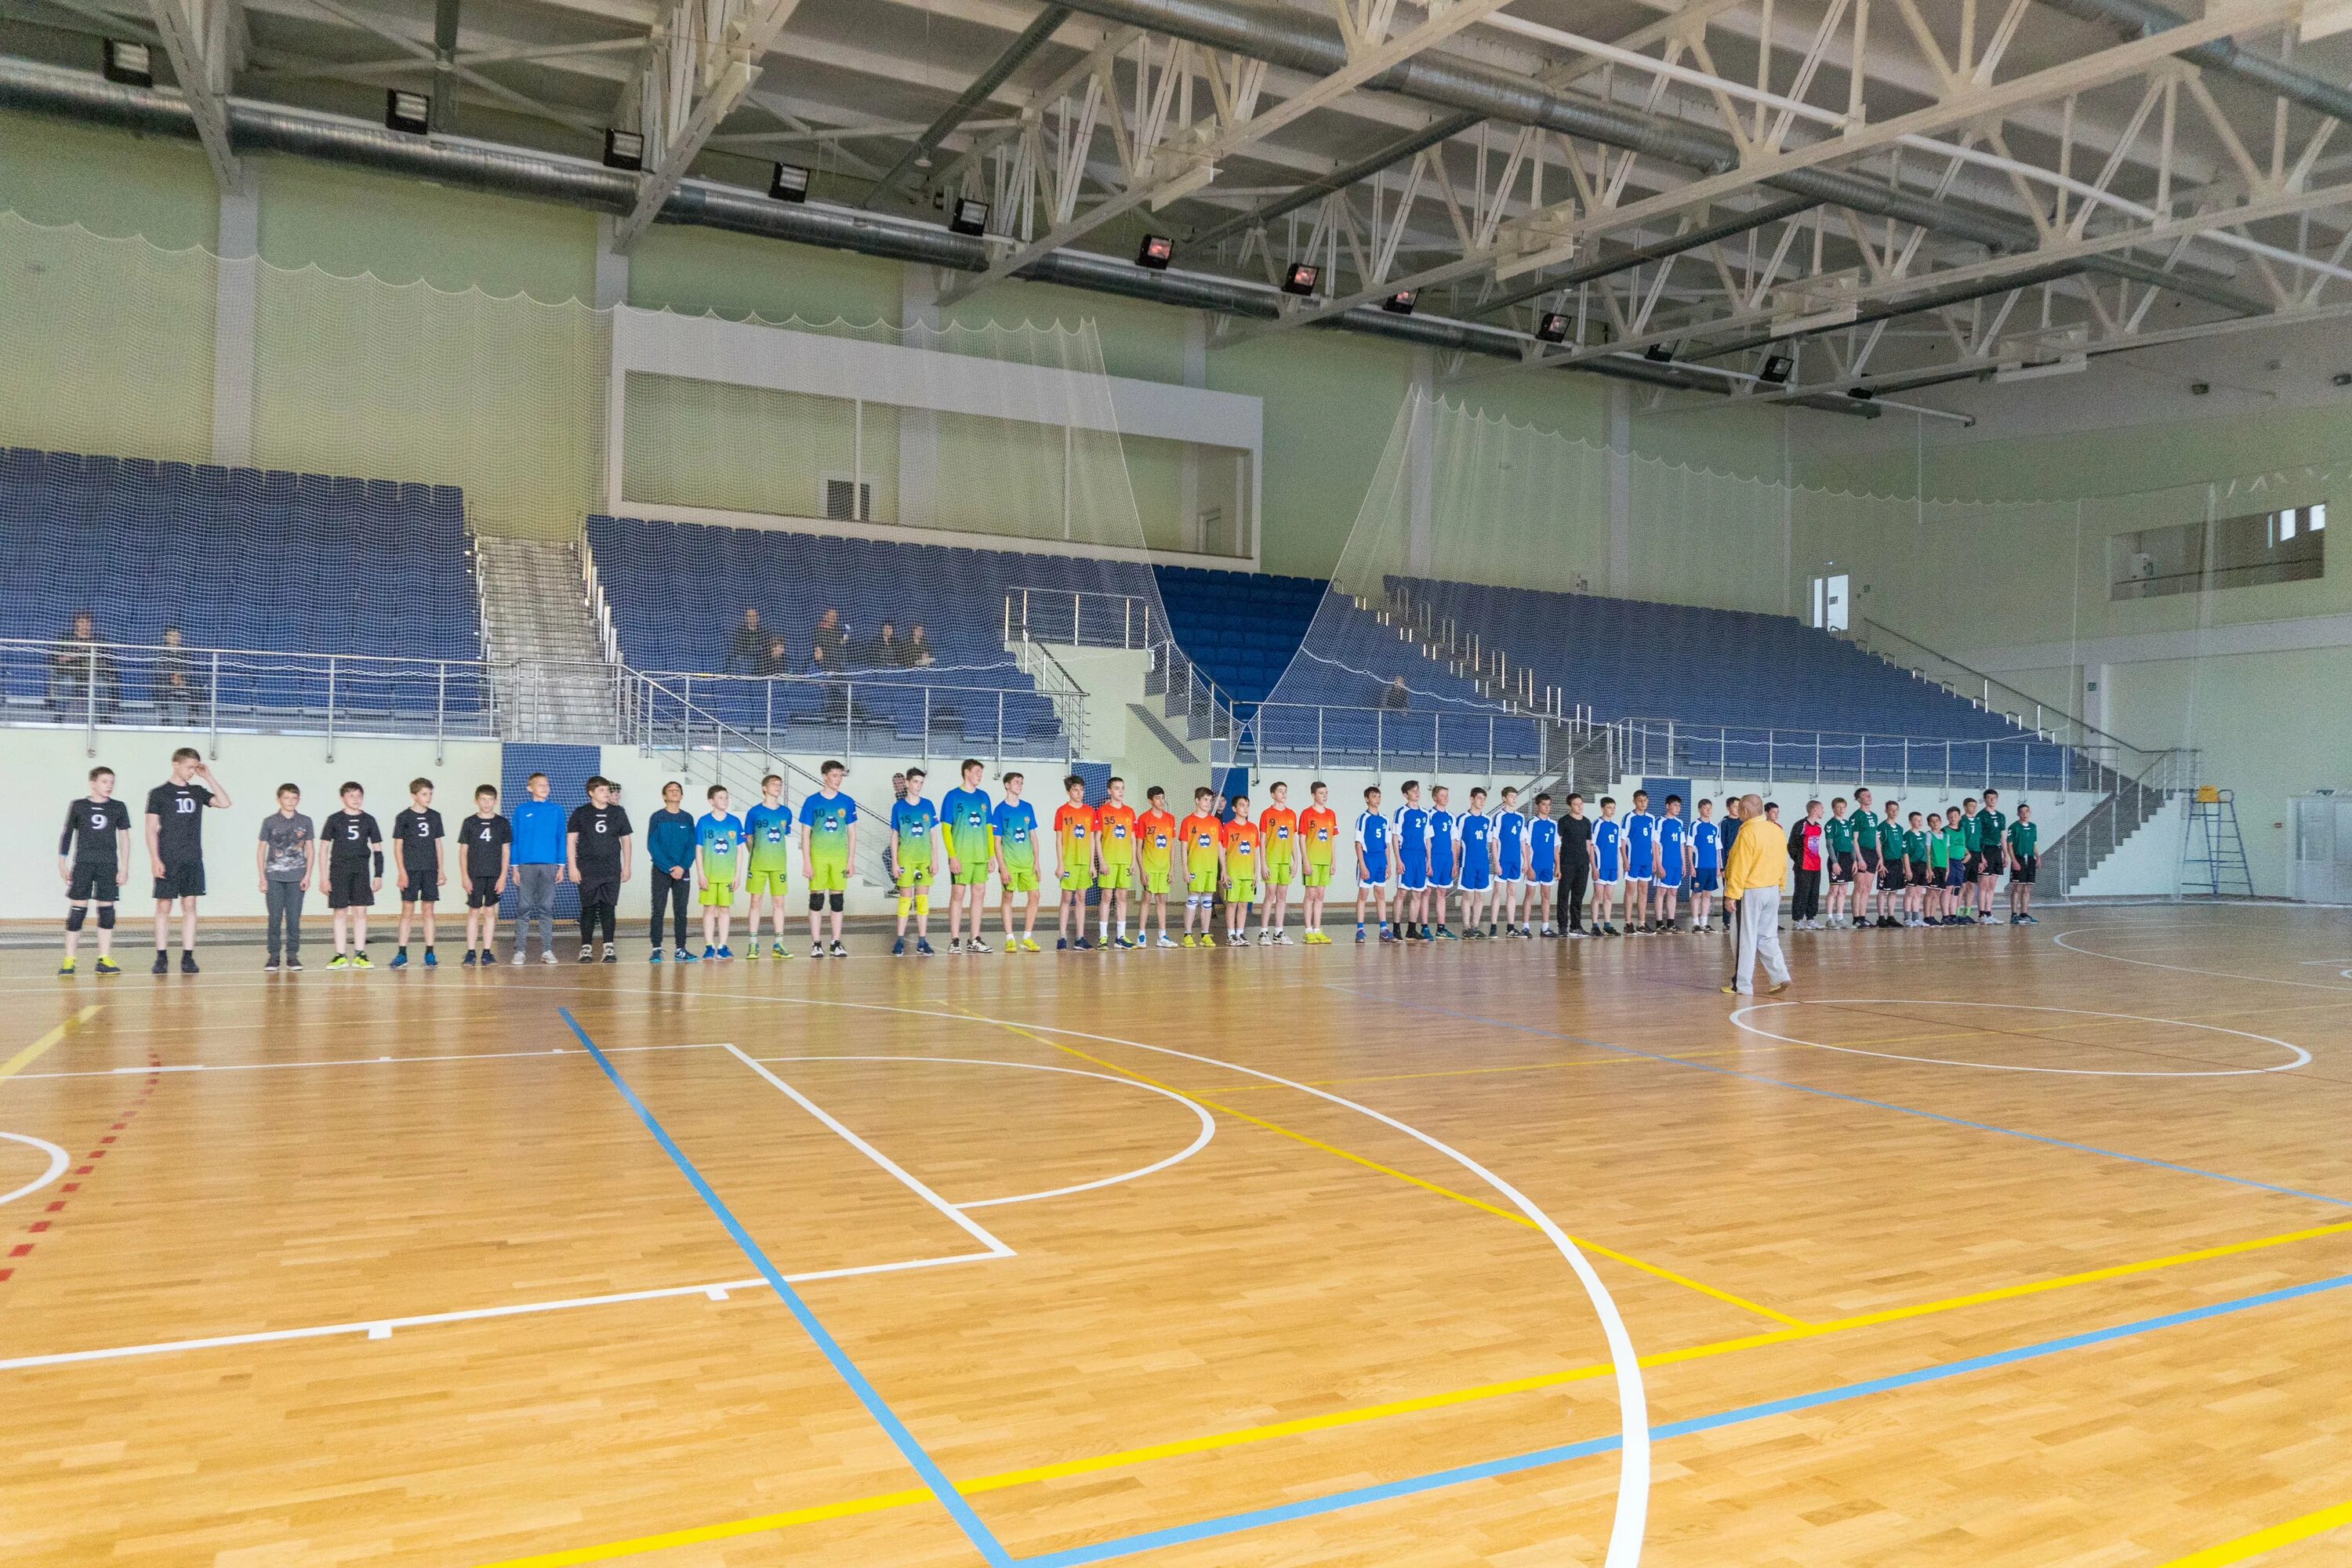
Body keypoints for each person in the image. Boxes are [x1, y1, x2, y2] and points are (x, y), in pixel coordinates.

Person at [147, 748, 231, 974]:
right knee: (164, 906)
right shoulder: (159, 793)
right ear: (175, 764)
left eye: (195, 768)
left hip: (192, 857)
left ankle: (188, 956)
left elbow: (224, 803)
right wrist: (155, 858)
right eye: (189, 767)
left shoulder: (197, 791)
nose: (192, 772)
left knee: (190, 906)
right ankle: (161, 956)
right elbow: (151, 828)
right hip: (168, 858)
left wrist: (208, 777)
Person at [59, 766, 132, 976]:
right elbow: (67, 834)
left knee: (107, 912)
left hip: (108, 865)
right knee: (77, 913)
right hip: (83, 864)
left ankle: (104, 958)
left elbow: (125, 839)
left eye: (112, 782)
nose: (109, 786)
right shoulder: (79, 806)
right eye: (104, 782)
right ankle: (69, 959)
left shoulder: (118, 807)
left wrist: (124, 867)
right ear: (93, 783)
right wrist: (62, 862)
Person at [1722, 793, 1792, 996]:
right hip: (1771, 890)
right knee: (1768, 936)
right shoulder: (1776, 830)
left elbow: (1739, 866)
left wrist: (1731, 894)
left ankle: (1741, 985)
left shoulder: (1748, 832)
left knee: (1745, 939)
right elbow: (1782, 862)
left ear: (1744, 811)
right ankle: (1780, 975)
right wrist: (1781, 887)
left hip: (1751, 891)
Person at [566, 776, 632, 963]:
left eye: (607, 790)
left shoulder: (618, 812)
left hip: (611, 868)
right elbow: (571, 841)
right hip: (587, 868)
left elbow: (626, 841)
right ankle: (586, 948)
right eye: (602, 790)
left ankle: (608, 948)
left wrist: (626, 866)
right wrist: (573, 866)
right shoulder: (580, 813)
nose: (606, 793)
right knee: (588, 908)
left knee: (608, 908)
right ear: (591, 793)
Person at [318, 782, 383, 969]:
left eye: (359, 796)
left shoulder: (369, 820)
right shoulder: (334, 819)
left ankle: (360, 954)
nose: (356, 799)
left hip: (361, 870)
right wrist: (323, 877)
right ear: (343, 798)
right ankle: (340, 955)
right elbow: (323, 849)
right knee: (340, 912)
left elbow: (378, 849)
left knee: (361, 912)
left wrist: (378, 874)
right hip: (339, 871)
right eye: (352, 796)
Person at [799, 760, 858, 958]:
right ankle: (816, 943)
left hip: (839, 857)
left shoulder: (847, 802)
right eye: (834, 775)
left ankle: (836, 942)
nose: (838, 780)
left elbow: (852, 832)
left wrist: (851, 860)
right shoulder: (812, 802)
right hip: (818, 857)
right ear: (825, 776)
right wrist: (806, 861)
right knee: (816, 900)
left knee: (837, 900)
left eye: (840, 776)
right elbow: (805, 833)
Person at [510, 773, 568, 965]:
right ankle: (519, 951)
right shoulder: (521, 810)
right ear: (530, 788)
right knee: (523, 908)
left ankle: (547, 950)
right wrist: (515, 867)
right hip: (526, 866)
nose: (544, 787)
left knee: (546, 908)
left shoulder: (557, 810)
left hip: (550, 866)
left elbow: (561, 838)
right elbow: (515, 840)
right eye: (540, 784)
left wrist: (561, 866)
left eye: (547, 784)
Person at [389, 779, 447, 967]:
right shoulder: (404, 817)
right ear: (414, 795)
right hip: (411, 870)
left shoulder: (435, 816)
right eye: (424, 794)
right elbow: (398, 847)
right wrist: (402, 872)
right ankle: (402, 953)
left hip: (430, 869)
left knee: (429, 911)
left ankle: (430, 953)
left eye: (430, 794)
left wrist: (441, 870)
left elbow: (438, 845)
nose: (428, 797)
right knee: (407, 910)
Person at [256, 783, 314, 972]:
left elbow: (310, 849)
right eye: (287, 798)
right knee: (274, 917)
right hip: (274, 876)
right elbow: (261, 849)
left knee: (294, 918)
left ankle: (292, 955)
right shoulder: (270, 821)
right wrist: (262, 877)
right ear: (279, 799)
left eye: (294, 798)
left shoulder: (305, 821)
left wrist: (308, 874)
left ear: (298, 800)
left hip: (297, 876)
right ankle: (273, 956)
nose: (290, 801)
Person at [938, 760, 993, 954]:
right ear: (966, 773)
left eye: (981, 772)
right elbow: (946, 829)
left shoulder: (984, 797)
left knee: (979, 894)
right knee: (958, 895)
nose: (980, 775)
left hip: (980, 855)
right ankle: (955, 939)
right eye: (977, 772)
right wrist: (952, 856)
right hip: (961, 855)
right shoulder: (953, 797)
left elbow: (988, 828)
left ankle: (974, 938)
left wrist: (991, 855)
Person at [741, 774, 795, 960]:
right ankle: (753, 944)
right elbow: (749, 837)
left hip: (779, 864)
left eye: (780, 784)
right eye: (774, 784)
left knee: (779, 904)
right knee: (755, 903)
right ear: (764, 788)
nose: (778, 787)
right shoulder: (754, 812)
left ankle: (779, 944)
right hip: (758, 864)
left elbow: (784, 833)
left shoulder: (786, 813)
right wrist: (757, 854)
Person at [889, 768, 940, 956]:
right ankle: (900, 940)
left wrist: (936, 859)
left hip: (924, 859)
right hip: (906, 859)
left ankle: (922, 940)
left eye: (921, 783)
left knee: (922, 901)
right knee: (904, 900)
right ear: (908, 783)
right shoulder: (899, 807)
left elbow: (934, 834)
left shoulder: (928, 805)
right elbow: (895, 835)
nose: (918, 786)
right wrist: (895, 862)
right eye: (916, 782)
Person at [459, 785, 512, 966]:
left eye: (490, 799)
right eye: (483, 799)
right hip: (475, 874)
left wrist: (503, 876)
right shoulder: (469, 823)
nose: (487, 803)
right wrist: (465, 876)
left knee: (490, 912)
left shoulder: (502, 823)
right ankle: (471, 952)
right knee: (474, 911)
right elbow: (463, 852)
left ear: (495, 801)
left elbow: (506, 852)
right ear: (476, 800)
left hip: (494, 875)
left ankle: (487, 952)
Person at [990, 772, 1041, 952]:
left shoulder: (1027, 807)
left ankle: (1027, 937)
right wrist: (1002, 867)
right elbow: (997, 842)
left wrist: (1037, 862)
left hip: (1027, 862)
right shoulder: (1000, 810)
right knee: (1008, 897)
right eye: (1016, 782)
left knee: (1035, 896)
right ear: (1007, 785)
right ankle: (1010, 938)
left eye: (1022, 782)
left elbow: (1033, 836)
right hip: (1010, 862)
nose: (1020, 785)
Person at [646, 781, 696, 963]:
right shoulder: (657, 817)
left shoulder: (687, 818)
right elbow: (652, 845)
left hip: (683, 871)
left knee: (681, 911)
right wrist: (668, 867)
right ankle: (657, 948)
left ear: (681, 796)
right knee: (658, 910)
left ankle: (681, 948)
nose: (674, 793)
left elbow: (691, 846)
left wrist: (682, 866)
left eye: (678, 791)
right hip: (661, 871)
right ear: (664, 796)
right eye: (670, 790)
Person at [697, 786, 746, 959]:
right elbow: (698, 849)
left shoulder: (734, 822)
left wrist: (737, 875)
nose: (724, 800)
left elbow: (740, 850)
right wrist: (701, 874)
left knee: (724, 910)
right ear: (711, 801)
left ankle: (723, 946)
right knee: (709, 909)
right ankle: (709, 946)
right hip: (709, 875)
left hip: (727, 875)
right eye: (720, 797)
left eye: (726, 797)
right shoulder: (703, 822)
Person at [1052, 775, 1098, 953]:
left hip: (1084, 862)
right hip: (1069, 862)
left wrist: (1092, 864)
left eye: (1082, 789)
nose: (1080, 793)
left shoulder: (1090, 811)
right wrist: (1060, 864)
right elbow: (1059, 839)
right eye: (1075, 790)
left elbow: (1093, 838)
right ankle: (1062, 937)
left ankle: (1080, 938)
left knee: (1081, 898)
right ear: (1068, 792)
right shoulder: (1062, 811)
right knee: (1066, 898)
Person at [1094, 777, 1138, 949]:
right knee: (1106, 897)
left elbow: (1133, 839)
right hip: (1109, 861)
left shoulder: (1129, 811)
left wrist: (1133, 861)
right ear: (1109, 791)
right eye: (1117, 788)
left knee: (1122, 898)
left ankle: (1121, 937)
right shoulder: (1102, 811)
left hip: (1125, 860)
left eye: (1123, 788)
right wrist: (1102, 861)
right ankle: (1103, 937)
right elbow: (1098, 839)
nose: (1121, 791)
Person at [48, 611, 116, 719]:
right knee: (67, 683)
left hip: (93, 674)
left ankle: (105, 718)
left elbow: (109, 661)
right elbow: (56, 659)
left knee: (101, 684)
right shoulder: (65, 639)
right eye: (82, 622)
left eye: (88, 623)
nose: (85, 626)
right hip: (70, 674)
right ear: (76, 624)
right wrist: (74, 655)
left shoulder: (99, 640)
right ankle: (59, 716)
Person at [1178, 786, 1221, 946]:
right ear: (1197, 800)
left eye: (1210, 800)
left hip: (1211, 867)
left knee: (1208, 901)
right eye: (1205, 800)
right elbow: (1184, 847)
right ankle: (1187, 935)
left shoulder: (1215, 822)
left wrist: (1223, 868)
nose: (1208, 803)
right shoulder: (1188, 821)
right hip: (1195, 867)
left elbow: (1220, 847)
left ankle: (1205, 934)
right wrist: (1185, 868)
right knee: (1193, 900)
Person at [1136, 786, 1178, 949]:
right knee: (1147, 898)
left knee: (1162, 900)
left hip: (1164, 866)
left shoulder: (1170, 818)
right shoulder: (1144, 818)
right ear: (1150, 801)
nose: (1161, 801)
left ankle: (1162, 935)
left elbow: (1172, 845)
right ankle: (1141, 934)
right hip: (1149, 865)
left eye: (1163, 797)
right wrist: (1142, 870)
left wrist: (1172, 868)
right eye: (1158, 798)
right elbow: (1139, 846)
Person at [1256, 782, 1298, 945]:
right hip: (1272, 860)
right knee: (1270, 895)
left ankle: (1279, 932)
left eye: (1285, 791)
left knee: (1282, 896)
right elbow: (1262, 840)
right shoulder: (1267, 814)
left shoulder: (1291, 814)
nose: (1284, 793)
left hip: (1285, 861)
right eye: (1280, 791)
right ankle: (1263, 932)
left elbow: (1293, 840)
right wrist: (1264, 864)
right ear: (1273, 795)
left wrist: (1296, 862)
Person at [1298, 782, 1338, 944]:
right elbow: (1302, 838)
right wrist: (1305, 861)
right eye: (1321, 793)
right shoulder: (1307, 813)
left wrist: (1333, 860)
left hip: (1325, 860)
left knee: (1321, 895)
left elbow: (1333, 839)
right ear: (1313, 795)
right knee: (1311, 894)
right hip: (1312, 860)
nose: (1324, 796)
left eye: (1326, 793)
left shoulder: (1331, 814)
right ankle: (1308, 931)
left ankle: (1317, 929)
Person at [1219, 794, 1261, 947]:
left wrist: (1256, 873)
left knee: (1244, 904)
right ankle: (1230, 935)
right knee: (1232, 904)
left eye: (1247, 805)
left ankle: (1240, 933)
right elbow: (1222, 851)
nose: (1246, 808)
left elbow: (1255, 852)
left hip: (1248, 874)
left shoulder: (1253, 828)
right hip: (1233, 873)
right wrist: (1224, 871)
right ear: (1234, 808)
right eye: (1242, 805)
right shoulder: (1228, 827)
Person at [1353, 783, 1392, 943]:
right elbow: (1358, 843)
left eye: (1379, 796)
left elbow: (1387, 844)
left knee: (1381, 893)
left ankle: (1384, 928)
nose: (1377, 799)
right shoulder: (1363, 819)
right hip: (1368, 859)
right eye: (1374, 796)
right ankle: (1360, 929)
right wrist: (1362, 865)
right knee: (1364, 894)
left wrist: (1389, 864)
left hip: (1381, 860)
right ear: (1367, 799)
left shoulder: (1384, 819)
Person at [1392, 780, 1431, 941]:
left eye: (1417, 789)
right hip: (1406, 855)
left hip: (1420, 858)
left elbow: (1428, 838)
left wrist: (1429, 860)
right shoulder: (1401, 812)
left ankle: (1412, 929)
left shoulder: (1425, 813)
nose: (1416, 792)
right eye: (1413, 790)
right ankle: (1396, 928)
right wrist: (1398, 860)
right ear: (1405, 794)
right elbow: (1395, 837)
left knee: (1418, 894)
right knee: (1402, 893)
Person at [1455, 787, 1493, 938]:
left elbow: (1488, 842)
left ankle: (1475, 926)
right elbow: (1457, 842)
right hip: (1467, 862)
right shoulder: (1463, 818)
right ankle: (1466, 927)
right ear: (1472, 799)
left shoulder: (1487, 820)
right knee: (1467, 895)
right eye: (1479, 798)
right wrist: (1456, 863)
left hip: (1482, 863)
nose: (1482, 801)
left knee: (1480, 896)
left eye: (1484, 798)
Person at [1492, 786, 1527, 937]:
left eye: (1515, 796)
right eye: (1511, 796)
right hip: (1503, 859)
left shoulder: (1520, 817)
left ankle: (1510, 927)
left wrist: (1526, 860)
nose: (1514, 799)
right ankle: (1493, 927)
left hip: (1515, 860)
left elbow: (1522, 841)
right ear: (1504, 798)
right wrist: (1496, 862)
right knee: (1498, 892)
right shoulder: (1499, 817)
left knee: (1512, 892)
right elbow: (1494, 841)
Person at [1557, 793, 1593, 936]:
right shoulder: (1564, 821)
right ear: (1570, 806)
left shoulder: (1586, 822)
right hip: (1567, 863)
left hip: (1582, 864)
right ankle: (1562, 926)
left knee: (1578, 896)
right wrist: (1558, 865)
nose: (1580, 806)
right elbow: (1557, 845)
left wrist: (1590, 864)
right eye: (1576, 804)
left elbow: (1588, 845)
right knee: (1564, 895)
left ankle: (1576, 926)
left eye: (1581, 804)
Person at [1621, 789, 1656, 935]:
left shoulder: (1651, 818)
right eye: (1640, 800)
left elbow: (1654, 841)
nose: (1643, 803)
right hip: (1633, 860)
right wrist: (1624, 860)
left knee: (1644, 891)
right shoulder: (1629, 817)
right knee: (1630, 891)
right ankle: (1628, 923)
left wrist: (1655, 859)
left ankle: (1642, 923)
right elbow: (1622, 841)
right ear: (1634, 801)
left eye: (1645, 800)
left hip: (1646, 861)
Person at [1427, 786, 1460, 940]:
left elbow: (1454, 841)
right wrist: (1429, 861)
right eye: (1442, 795)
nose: (1446, 797)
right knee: (1426, 893)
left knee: (1442, 893)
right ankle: (1425, 927)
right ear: (1435, 798)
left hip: (1447, 859)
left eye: (1447, 795)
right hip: (1434, 858)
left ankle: (1441, 928)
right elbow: (1426, 840)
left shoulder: (1451, 817)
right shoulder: (1429, 815)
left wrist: (1455, 862)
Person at [155, 626, 207, 724]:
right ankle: (165, 716)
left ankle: (193, 717)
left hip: (184, 679)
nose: (174, 638)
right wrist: (172, 676)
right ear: (166, 637)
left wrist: (182, 677)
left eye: (177, 636)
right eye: (171, 636)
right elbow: (160, 668)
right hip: (167, 679)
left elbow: (188, 666)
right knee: (160, 687)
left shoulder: (186, 652)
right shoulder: (161, 651)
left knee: (197, 687)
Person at [1654, 794, 1689, 935]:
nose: (1678, 808)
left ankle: (1671, 923)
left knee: (1673, 892)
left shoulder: (1679, 823)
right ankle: (1659, 923)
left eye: (1679, 806)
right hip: (1665, 861)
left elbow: (1682, 844)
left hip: (1676, 863)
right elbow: (1655, 844)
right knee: (1661, 891)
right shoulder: (1660, 822)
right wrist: (1658, 864)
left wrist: (1684, 863)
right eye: (1675, 805)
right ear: (1667, 806)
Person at [1787, 800, 1824, 931]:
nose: (1823, 812)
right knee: (1802, 892)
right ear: (1814, 810)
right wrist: (1798, 860)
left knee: (1814, 893)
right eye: (1821, 809)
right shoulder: (1800, 825)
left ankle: (1811, 919)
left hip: (1816, 865)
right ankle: (1797, 920)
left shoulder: (1819, 827)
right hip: (1804, 866)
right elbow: (1792, 845)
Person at [1590, 796, 1624, 937]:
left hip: (1612, 866)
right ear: (1603, 808)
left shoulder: (1616, 826)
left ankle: (1607, 925)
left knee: (1609, 896)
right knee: (1598, 895)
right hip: (1600, 865)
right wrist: (1594, 867)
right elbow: (1591, 847)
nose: (1612, 810)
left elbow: (1617, 848)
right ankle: (1595, 925)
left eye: (1614, 807)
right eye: (1610, 807)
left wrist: (1618, 867)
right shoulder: (1597, 824)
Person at [1688, 797, 1722, 937]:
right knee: (1697, 894)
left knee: (1708, 894)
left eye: (1710, 808)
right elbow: (1689, 846)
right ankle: (1695, 923)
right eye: (1706, 808)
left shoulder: (1715, 827)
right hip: (1699, 866)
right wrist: (1691, 865)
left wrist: (1719, 867)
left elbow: (1718, 849)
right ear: (1700, 809)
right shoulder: (1695, 825)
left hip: (1712, 867)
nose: (1708, 811)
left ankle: (1704, 923)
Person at [1975, 789, 2009, 927]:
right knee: (1984, 884)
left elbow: (2003, 836)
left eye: (1994, 798)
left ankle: (1989, 913)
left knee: (1992, 885)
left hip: (1997, 850)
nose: (1992, 800)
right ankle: (1982, 914)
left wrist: (2005, 854)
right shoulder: (1981, 816)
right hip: (1985, 849)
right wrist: (1981, 856)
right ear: (1985, 799)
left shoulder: (2001, 816)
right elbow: (1977, 837)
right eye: (1989, 798)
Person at [1849, 786, 1879, 933]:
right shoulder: (1856, 816)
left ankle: (1863, 916)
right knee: (1859, 887)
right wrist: (1859, 858)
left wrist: (1880, 857)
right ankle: (1856, 918)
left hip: (1873, 854)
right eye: (1866, 795)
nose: (1869, 797)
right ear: (1859, 799)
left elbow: (1876, 838)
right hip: (1862, 852)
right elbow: (1854, 840)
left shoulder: (1874, 816)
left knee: (1867, 887)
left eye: (1869, 794)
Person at [2007, 804, 2040, 923]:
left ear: (2030, 812)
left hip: (2030, 859)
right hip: (2019, 858)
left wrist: (2038, 856)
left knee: (2027, 888)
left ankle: (2024, 914)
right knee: (2017, 887)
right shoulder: (2014, 827)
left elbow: (2034, 844)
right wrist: (2014, 860)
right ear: (2018, 814)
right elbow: (2009, 845)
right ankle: (2014, 915)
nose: (2024, 814)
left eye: (2027, 811)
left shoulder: (2033, 827)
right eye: (2022, 812)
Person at [728, 608, 765, 673]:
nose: (752, 618)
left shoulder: (764, 633)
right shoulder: (740, 632)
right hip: (744, 660)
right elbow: (737, 649)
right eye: (749, 616)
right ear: (746, 618)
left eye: (754, 616)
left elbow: (765, 650)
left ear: (758, 617)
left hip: (758, 661)